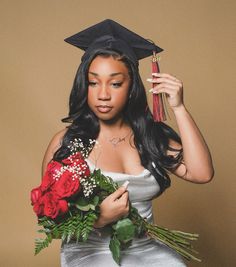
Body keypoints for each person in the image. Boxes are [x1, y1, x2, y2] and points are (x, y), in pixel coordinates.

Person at [42, 19, 214, 267]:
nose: (103, 94)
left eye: (115, 83)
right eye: (93, 82)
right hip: (91, 249)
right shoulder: (67, 142)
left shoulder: (150, 136)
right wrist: (98, 218)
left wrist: (179, 108)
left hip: (146, 247)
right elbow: (50, 218)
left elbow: (202, 173)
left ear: (132, 85)